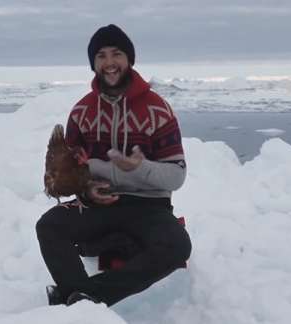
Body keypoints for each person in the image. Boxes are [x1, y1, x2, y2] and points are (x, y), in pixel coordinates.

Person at [35, 24, 192, 307]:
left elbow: (176, 176)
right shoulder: (82, 112)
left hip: (149, 206)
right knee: (49, 225)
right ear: (93, 64)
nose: (109, 63)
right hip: (98, 206)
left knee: (177, 246)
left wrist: (139, 168)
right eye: (101, 56)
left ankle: (82, 298)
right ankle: (82, 297)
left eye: (116, 54)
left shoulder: (157, 110)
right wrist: (86, 189)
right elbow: (74, 170)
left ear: (129, 59)